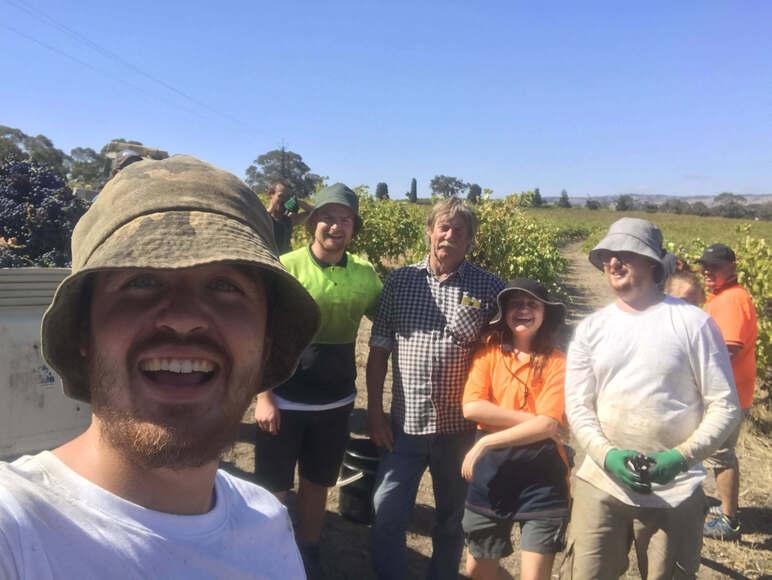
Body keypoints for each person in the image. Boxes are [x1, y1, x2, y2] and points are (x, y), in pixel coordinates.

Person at [0, 156, 321, 578]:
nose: (183, 317)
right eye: (141, 281)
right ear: (83, 330)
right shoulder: (16, 531)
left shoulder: (268, 524)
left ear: (266, 341)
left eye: (226, 286)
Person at [563, 217, 741, 579]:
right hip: (600, 484)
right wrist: (607, 455)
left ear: (653, 264)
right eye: (609, 255)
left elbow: (725, 404)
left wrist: (679, 458)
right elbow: (578, 405)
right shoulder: (592, 329)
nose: (614, 262)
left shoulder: (693, 323)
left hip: (674, 492)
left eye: (626, 253)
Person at [367, 197, 505, 580]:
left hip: (458, 430)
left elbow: (499, 360)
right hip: (404, 425)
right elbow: (379, 350)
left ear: (470, 241)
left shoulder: (489, 287)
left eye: (459, 231)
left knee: (451, 519)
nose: (449, 235)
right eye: (443, 227)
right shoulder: (400, 281)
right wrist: (376, 414)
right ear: (430, 231)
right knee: (386, 508)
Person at [254, 183, 382, 577]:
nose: (335, 226)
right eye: (327, 217)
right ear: (313, 223)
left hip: (335, 402)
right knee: (273, 488)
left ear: (353, 228)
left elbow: (390, 324)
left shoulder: (365, 274)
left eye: (344, 220)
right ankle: (267, 554)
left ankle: (308, 548)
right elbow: (262, 331)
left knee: (317, 483)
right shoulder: (286, 266)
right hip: (285, 401)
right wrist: (263, 396)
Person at [460, 279, 570, 580]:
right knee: (478, 571)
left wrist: (486, 442)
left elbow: (549, 424)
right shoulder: (489, 353)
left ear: (545, 313)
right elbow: (472, 407)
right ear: (504, 313)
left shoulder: (557, 362)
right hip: (492, 476)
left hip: (542, 480)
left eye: (532, 304)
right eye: (516, 304)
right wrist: (538, 422)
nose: (523, 310)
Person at [697, 244, 758, 541]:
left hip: (727, 394)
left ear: (732, 267)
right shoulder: (722, 296)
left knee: (721, 454)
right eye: (704, 266)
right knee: (715, 452)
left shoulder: (732, 300)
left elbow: (729, 349)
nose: (707, 271)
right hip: (726, 390)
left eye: (715, 266)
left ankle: (729, 521)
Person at [266, 180, 314, 254]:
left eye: (288, 197)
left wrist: (297, 201)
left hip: (284, 261)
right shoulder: (262, 216)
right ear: (270, 195)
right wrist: (272, 207)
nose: (284, 200)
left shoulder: (289, 220)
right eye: (281, 196)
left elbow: (313, 211)